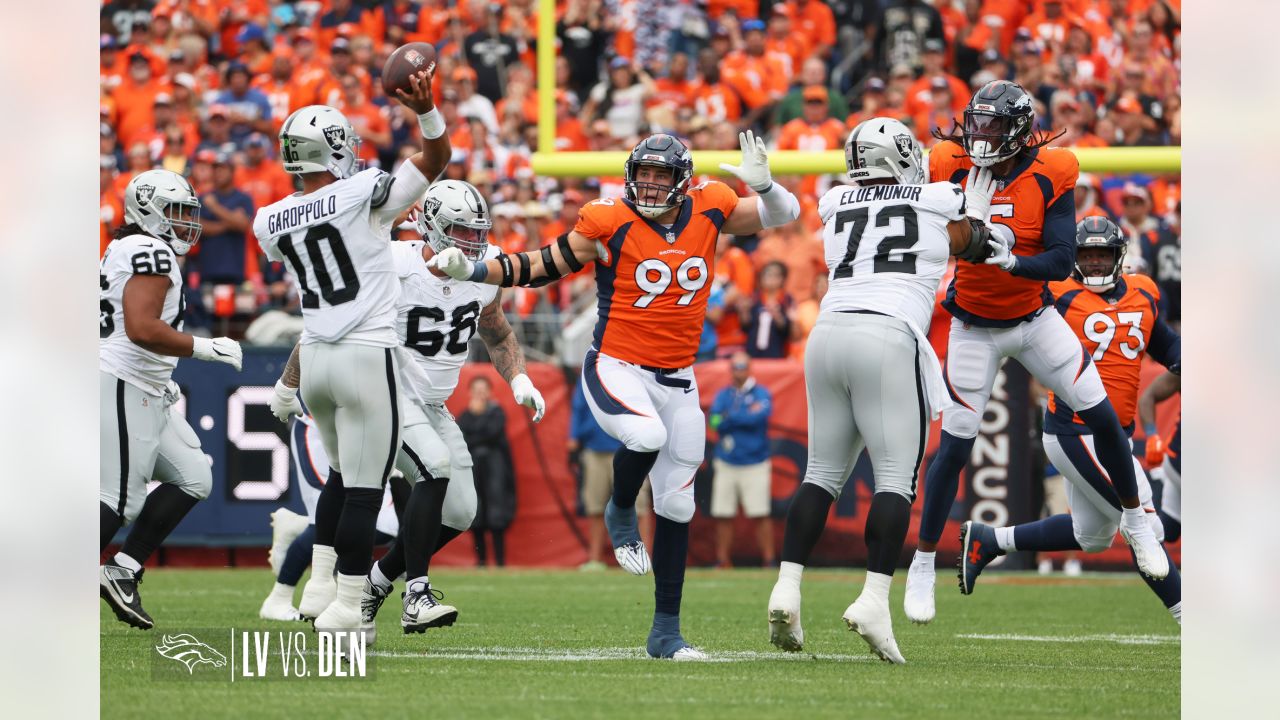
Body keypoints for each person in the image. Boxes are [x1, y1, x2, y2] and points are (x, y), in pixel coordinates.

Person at [430, 131, 800, 659]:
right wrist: (475, 270)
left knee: (677, 503)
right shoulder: (608, 219)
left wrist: (764, 185)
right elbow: (540, 265)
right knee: (645, 435)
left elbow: (779, 215)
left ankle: (666, 633)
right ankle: (621, 508)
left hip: (679, 377)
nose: (649, 185)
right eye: (642, 173)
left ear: (682, 179)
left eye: (660, 175)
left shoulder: (711, 205)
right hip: (617, 367)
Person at [904, 80, 1169, 626]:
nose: (980, 136)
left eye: (994, 126)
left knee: (1100, 415)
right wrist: (952, 218)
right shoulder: (947, 161)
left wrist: (1011, 262)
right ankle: (923, 563)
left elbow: (1062, 257)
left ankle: (1137, 525)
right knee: (953, 446)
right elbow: (914, 225)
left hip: (1033, 317)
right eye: (976, 123)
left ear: (1021, 130)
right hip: (972, 325)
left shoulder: (1053, 169)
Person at [766, 117, 997, 664]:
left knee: (820, 475)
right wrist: (979, 201)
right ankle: (873, 600)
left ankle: (786, 588)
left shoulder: (834, 199)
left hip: (826, 334)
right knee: (895, 480)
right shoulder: (939, 196)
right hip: (889, 333)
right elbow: (975, 244)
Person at [253, 65, 449, 639]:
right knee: (366, 488)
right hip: (366, 353)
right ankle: (348, 608)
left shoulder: (271, 219)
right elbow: (435, 161)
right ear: (334, 149)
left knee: (340, 476)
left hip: (314, 358)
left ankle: (317, 585)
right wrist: (427, 109)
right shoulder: (363, 193)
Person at [957, 217, 1182, 625]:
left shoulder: (1145, 291)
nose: (1095, 263)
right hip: (1074, 429)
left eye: (1102, 255)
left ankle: (991, 540)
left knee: (1091, 537)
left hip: (1115, 435)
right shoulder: (1057, 293)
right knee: (1147, 526)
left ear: (1119, 257)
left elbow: (1164, 343)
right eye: (1087, 255)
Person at [100, 169, 245, 629]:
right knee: (118, 498)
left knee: (194, 476)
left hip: (145, 385)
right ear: (148, 211)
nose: (185, 223)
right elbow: (142, 329)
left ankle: (122, 570)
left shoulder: (129, 246)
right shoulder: (150, 250)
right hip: (124, 381)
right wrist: (206, 347)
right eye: (176, 212)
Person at [259, 414, 407, 622]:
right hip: (320, 428)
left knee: (385, 526)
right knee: (325, 520)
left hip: (360, 431)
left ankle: (301, 530)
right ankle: (278, 599)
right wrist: (286, 387)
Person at [571, 381, 654, 570]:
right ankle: (595, 559)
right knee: (596, 506)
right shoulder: (588, 373)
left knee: (639, 506)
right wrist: (574, 436)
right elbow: (578, 407)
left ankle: (645, 557)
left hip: (628, 446)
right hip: (595, 449)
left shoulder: (630, 371)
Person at [708, 352, 775, 568]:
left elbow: (758, 418)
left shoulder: (762, 393)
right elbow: (715, 421)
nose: (739, 370)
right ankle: (723, 559)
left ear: (750, 368)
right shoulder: (723, 395)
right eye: (735, 367)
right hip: (727, 461)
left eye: (742, 366)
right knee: (723, 514)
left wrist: (731, 417)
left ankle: (769, 559)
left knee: (760, 513)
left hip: (755, 461)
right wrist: (737, 416)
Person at [458, 376, 517, 567]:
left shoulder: (497, 412)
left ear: (490, 392)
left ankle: (500, 561)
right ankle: (481, 560)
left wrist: (478, 421)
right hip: (473, 468)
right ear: (470, 393)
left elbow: (491, 434)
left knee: (496, 511)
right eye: (477, 390)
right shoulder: (464, 416)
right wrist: (475, 418)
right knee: (477, 511)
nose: (480, 394)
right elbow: (462, 439)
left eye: (484, 389)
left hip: (495, 467)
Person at [1139, 371, 1181, 543]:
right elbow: (1147, 398)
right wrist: (1152, 436)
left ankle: (1137, 531)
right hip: (1187, 462)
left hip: (1174, 460)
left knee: (1167, 530)